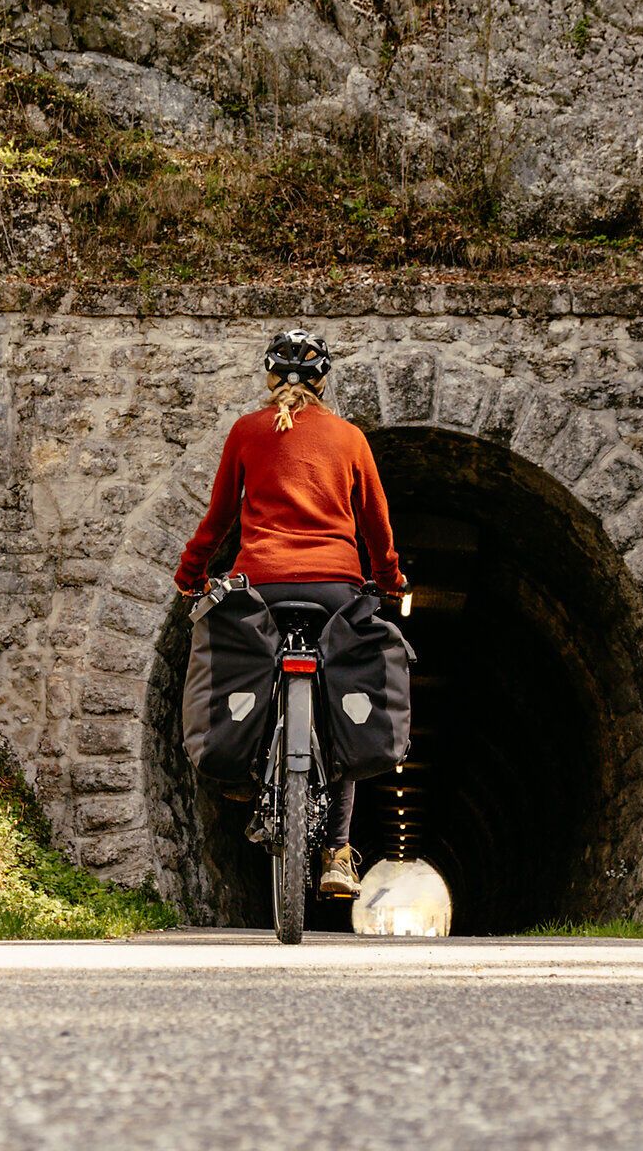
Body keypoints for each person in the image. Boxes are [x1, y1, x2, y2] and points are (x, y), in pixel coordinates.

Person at [174, 329, 408, 899]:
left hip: (263, 584)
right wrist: (390, 580)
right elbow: (377, 526)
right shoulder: (350, 438)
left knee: (247, 660)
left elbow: (219, 519)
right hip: (336, 587)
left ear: (268, 376)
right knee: (338, 704)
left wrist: (191, 575)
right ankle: (335, 851)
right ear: (324, 381)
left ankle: (249, 766)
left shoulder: (247, 432)